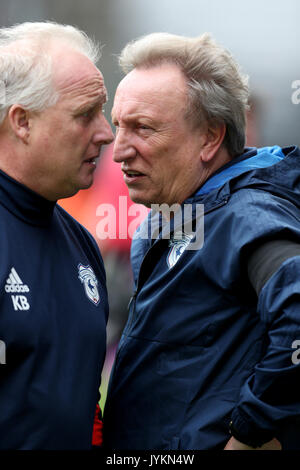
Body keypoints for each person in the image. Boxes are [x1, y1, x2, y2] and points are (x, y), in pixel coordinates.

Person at [103, 32, 300, 450]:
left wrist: (251, 432)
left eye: (143, 128)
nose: (118, 150)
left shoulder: (247, 216)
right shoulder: (175, 214)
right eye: (118, 125)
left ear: (210, 138)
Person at [0, 21, 114, 449]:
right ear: (22, 121)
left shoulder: (83, 245)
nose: (106, 133)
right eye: (85, 115)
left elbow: (85, 407)